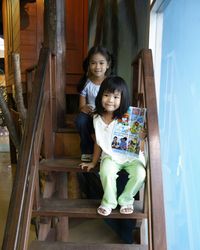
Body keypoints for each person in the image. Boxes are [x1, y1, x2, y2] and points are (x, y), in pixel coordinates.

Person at [80, 76, 146, 216]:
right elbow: (99, 142)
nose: (110, 100)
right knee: (106, 172)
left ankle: (126, 200)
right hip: (110, 156)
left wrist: (140, 138)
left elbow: (140, 148)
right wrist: (93, 161)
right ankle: (109, 202)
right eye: (106, 95)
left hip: (131, 157)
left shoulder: (130, 117)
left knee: (140, 174)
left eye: (116, 97)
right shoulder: (97, 118)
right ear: (100, 96)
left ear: (123, 99)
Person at [75, 45, 113, 162]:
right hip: (90, 114)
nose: (97, 67)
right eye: (93, 63)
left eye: (101, 63)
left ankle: (106, 151)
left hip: (106, 113)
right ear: (89, 65)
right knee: (81, 120)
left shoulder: (111, 82)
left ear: (108, 65)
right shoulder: (87, 83)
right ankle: (87, 150)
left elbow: (114, 101)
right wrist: (84, 109)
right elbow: (81, 106)